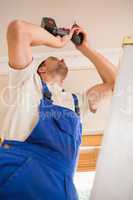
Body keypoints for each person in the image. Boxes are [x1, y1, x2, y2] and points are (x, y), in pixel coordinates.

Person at [0, 20, 117, 200]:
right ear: (41, 68)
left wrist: (85, 48)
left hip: (60, 191)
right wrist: (58, 42)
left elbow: (116, 83)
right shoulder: (25, 82)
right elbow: (18, 29)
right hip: (16, 180)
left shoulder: (78, 102)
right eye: (54, 57)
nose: (62, 58)